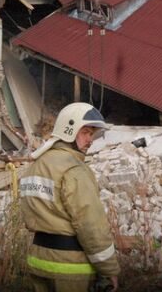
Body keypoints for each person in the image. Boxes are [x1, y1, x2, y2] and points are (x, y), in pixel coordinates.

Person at [20, 102, 120, 292]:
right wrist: (109, 270)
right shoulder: (74, 170)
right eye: (86, 132)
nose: (90, 140)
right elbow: (91, 225)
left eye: (91, 134)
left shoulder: (36, 166)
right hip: (70, 267)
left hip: (38, 260)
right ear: (70, 130)